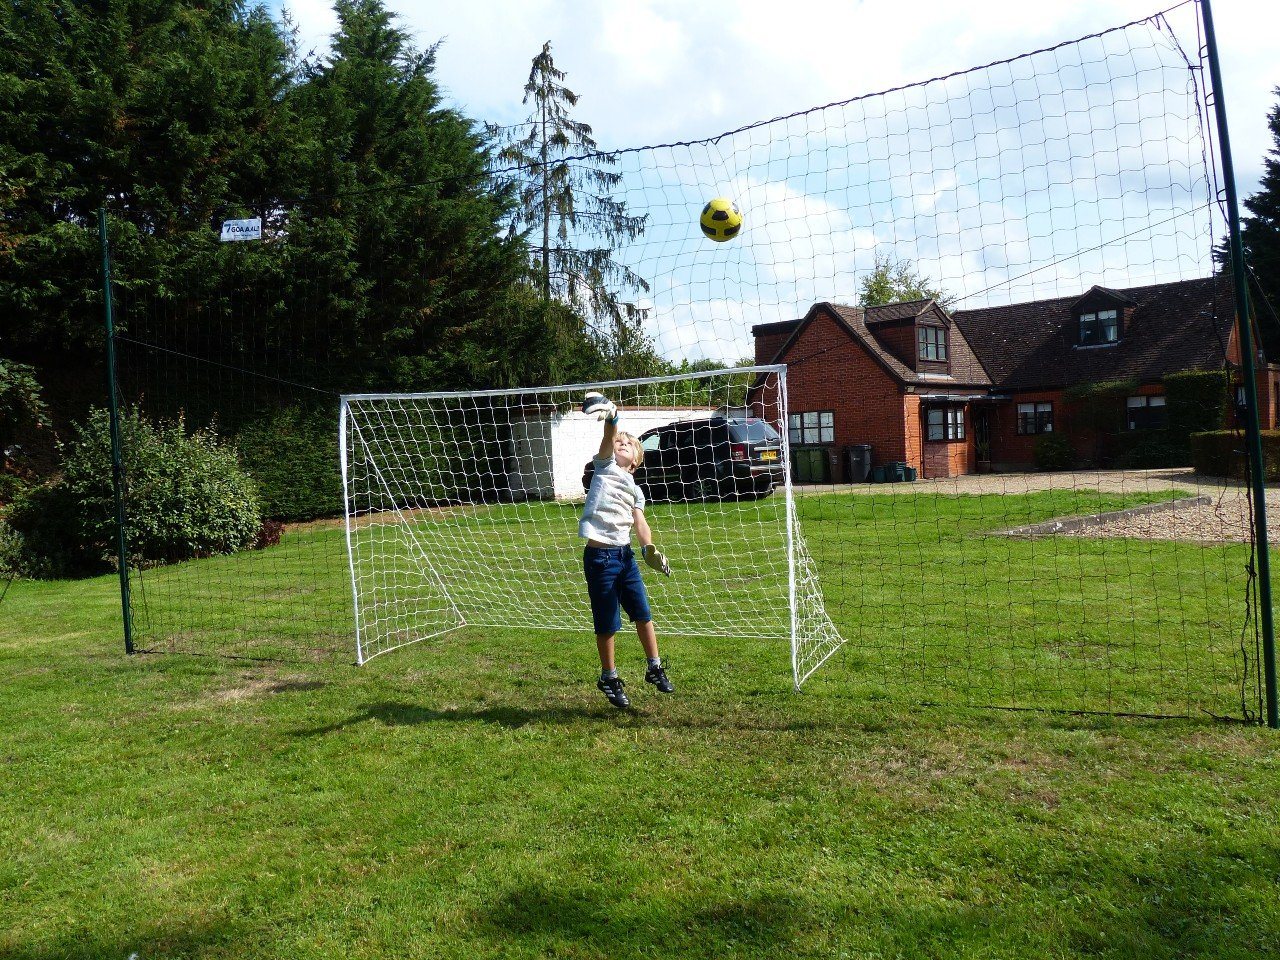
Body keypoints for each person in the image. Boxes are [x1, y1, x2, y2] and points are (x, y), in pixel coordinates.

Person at [579, 391, 673, 709]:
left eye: (628, 443)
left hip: (625, 557)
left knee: (643, 614)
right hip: (600, 559)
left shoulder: (635, 489)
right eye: (619, 441)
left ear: (636, 459)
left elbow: (640, 523)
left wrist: (650, 549)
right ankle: (609, 676)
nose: (621, 443)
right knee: (607, 623)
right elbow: (608, 434)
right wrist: (613, 418)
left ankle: (655, 666)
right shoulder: (604, 467)